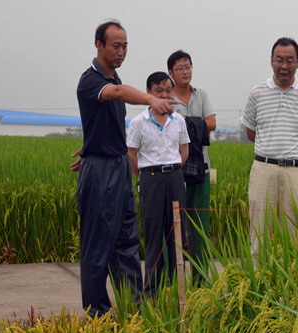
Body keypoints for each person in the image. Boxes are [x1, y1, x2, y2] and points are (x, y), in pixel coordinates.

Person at [72, 20, 173, 317]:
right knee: (97, 244)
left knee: (127, 240)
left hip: (117, 165)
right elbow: (116, 93)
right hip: (100, 172)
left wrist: (90, 147)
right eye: (115, 45)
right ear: (99, 45)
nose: (121, 51)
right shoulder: (91, 80)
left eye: (125, 46)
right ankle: (97, 314)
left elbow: (102, 124)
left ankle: (133, 308)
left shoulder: (113, 77)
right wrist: (151, 99)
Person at [241, 37, 298, 251]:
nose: (284, 65)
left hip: (295, 171)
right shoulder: (257, 92)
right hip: (264, 169)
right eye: (279, 60)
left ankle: (289, 272)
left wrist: (291, 151)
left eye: (289, 60)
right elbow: (251, 132)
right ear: (271, 61)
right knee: (259, 231)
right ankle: (258, 272)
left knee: (292, 232)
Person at [126, 72, 190, 298]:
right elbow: (131, 154)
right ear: (149, 93)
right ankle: (151, 290)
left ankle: (177, 289)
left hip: (175, 178)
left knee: (176, 233)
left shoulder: (178, 120)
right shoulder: (138, 122)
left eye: (168, 91)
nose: (164, 95)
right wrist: (144, 177)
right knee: (154, 235)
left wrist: (172, 171)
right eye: (158, 91)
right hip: (150, 179)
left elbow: (184, 151)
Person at [168, 50, 216, 284]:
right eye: (180, 68)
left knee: (199, 227)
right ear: (171, 72)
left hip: (201, 169)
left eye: (188, 66)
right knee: (172, 226)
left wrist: (183, 125)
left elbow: (212, 122)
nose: (185, 71)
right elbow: (165, 127)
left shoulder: (201, 95)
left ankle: (200, 279)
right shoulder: (167, 98)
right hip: (175, 170)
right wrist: (197, 126)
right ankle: (170, 280)